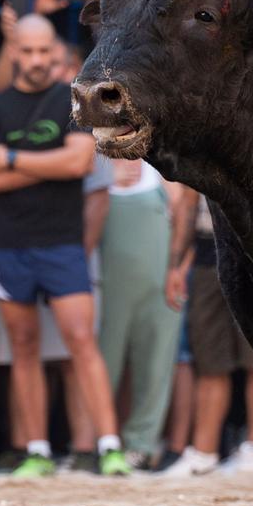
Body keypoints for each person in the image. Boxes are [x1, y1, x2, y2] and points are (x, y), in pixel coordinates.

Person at [0, 14, 132, 477]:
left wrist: (12, 158)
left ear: (56, 54)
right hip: (9, 244)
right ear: (15, 51)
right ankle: (37, 450)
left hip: (62, 243)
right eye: (28, 51)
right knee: (23, 347)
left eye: (45, 51)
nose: (37, 60)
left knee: (82, 341)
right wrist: (41, 162)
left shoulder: (72, 104)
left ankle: (110, 447)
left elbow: (79, 163)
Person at [160, 195, 253, 477]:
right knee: (209, 360)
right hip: (206, 255)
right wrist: (175, 265)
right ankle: (204, 452)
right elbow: (188, 202)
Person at [95, 156, 191, 470]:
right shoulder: (95, 165)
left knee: (154, 366)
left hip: (160, 286)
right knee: (103, 365)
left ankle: (141, 444)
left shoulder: (158, 168)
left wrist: (178, 269)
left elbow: (184, 215)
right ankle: (98, 443)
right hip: (106, 286)